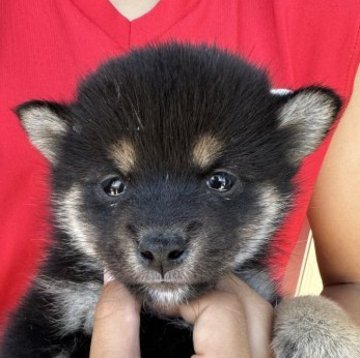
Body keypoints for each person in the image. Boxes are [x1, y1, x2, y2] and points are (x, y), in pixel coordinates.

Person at [0, 0, 359, 356]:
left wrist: (312, 319)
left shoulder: (324, 14)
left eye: (220, 182)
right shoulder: (63, 298)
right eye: (114, 186)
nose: (161, 240)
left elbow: (350, 283)